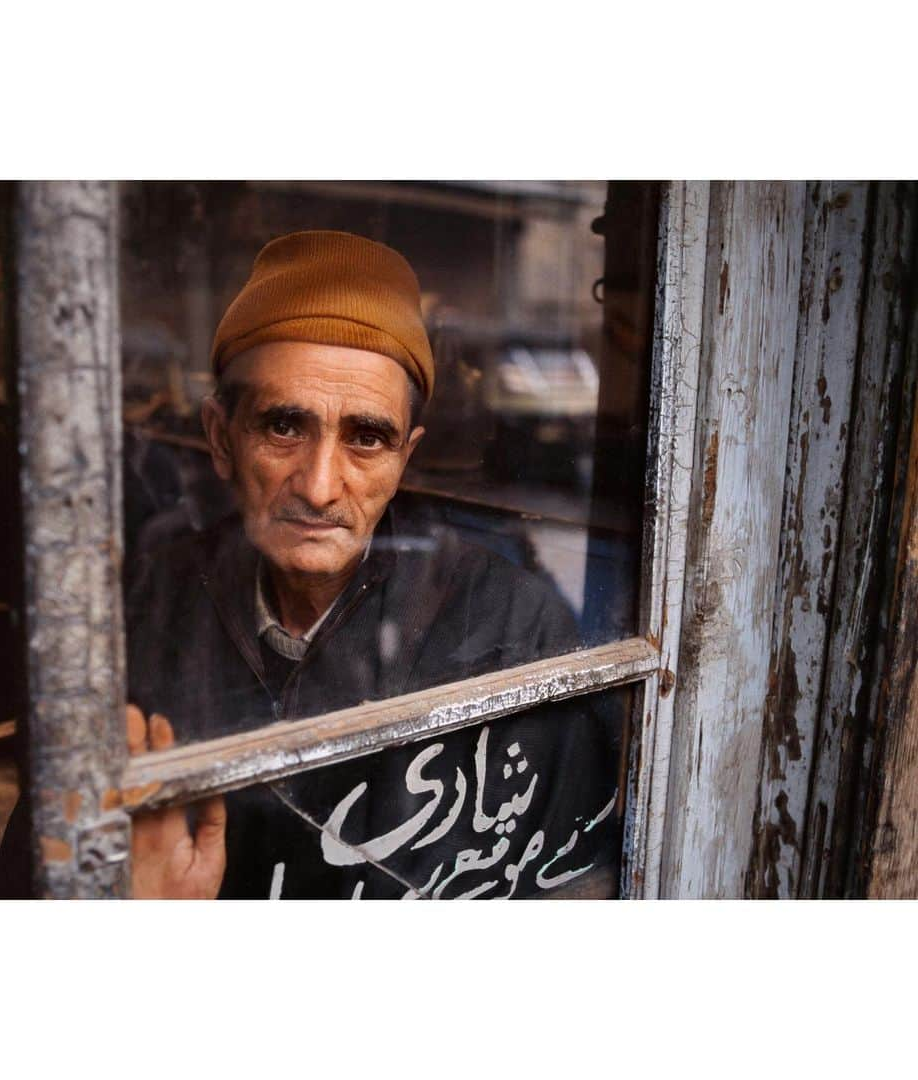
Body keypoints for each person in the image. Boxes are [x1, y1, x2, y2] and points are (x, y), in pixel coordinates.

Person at [123, 230, 621, 899]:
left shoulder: (511, 626)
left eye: (366, 438)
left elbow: (574, 885)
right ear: (221, 438)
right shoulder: (155, 595)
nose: (320, 486)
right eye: (283, 427)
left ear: (405, 457)